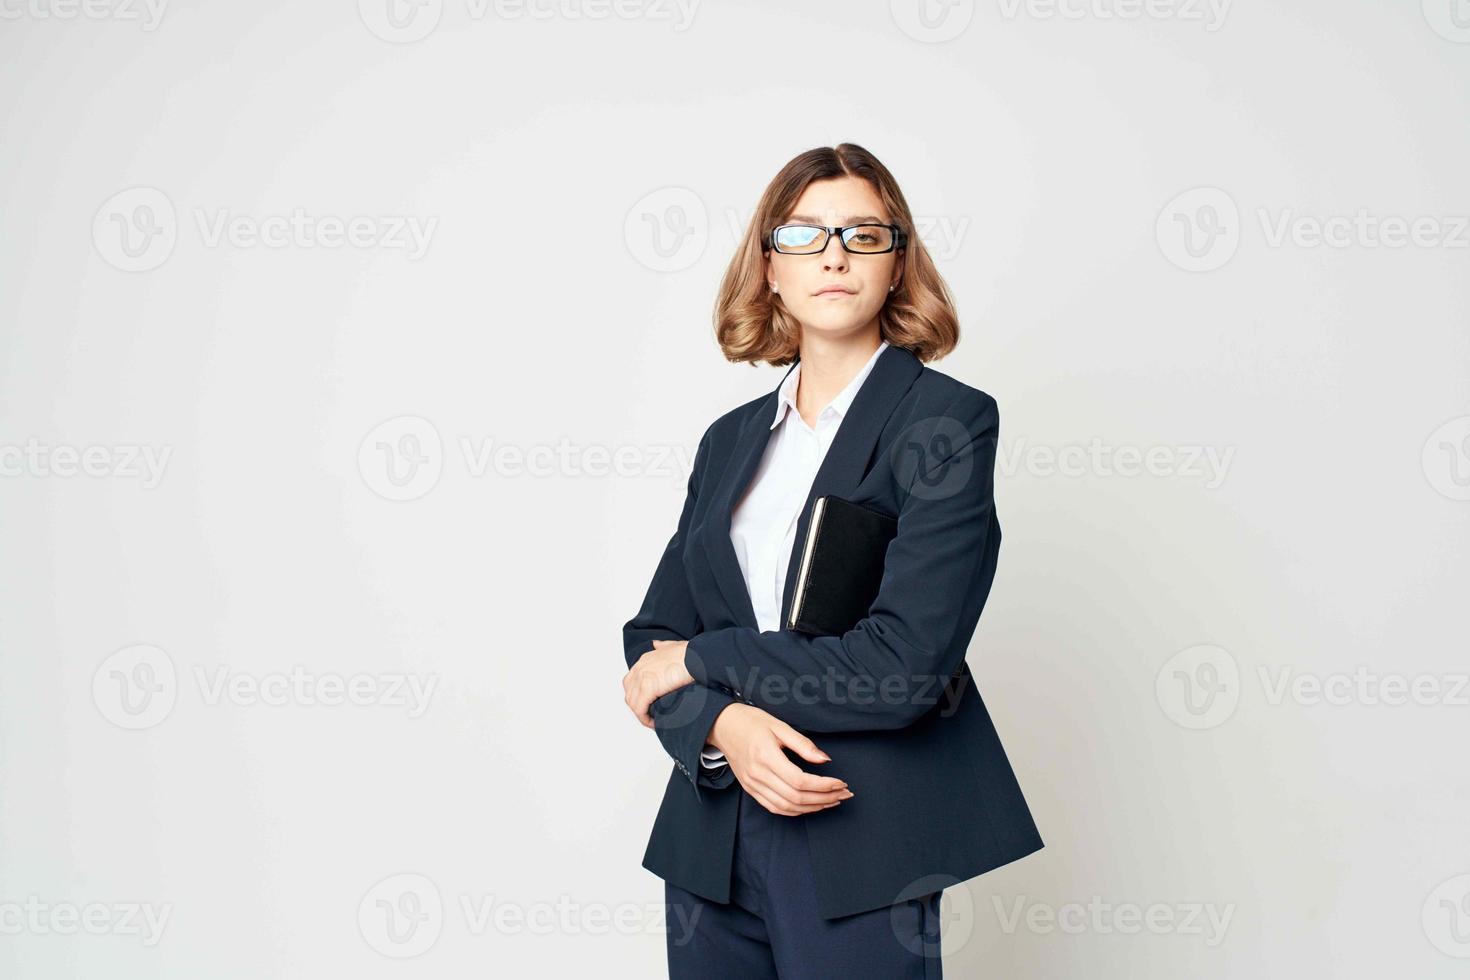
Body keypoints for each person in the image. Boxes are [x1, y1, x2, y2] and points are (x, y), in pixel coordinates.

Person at [622, 143, 1043, 979]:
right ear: (769, 268)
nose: (835, 255)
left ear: (897, 266)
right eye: (805, 234)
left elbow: (904, 667)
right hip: (713, 839)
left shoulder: (946, 423)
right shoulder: (730, 439)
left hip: (863, 835)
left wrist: (707, 663)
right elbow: (652, 640)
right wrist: (721, 727)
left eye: (863, 234)